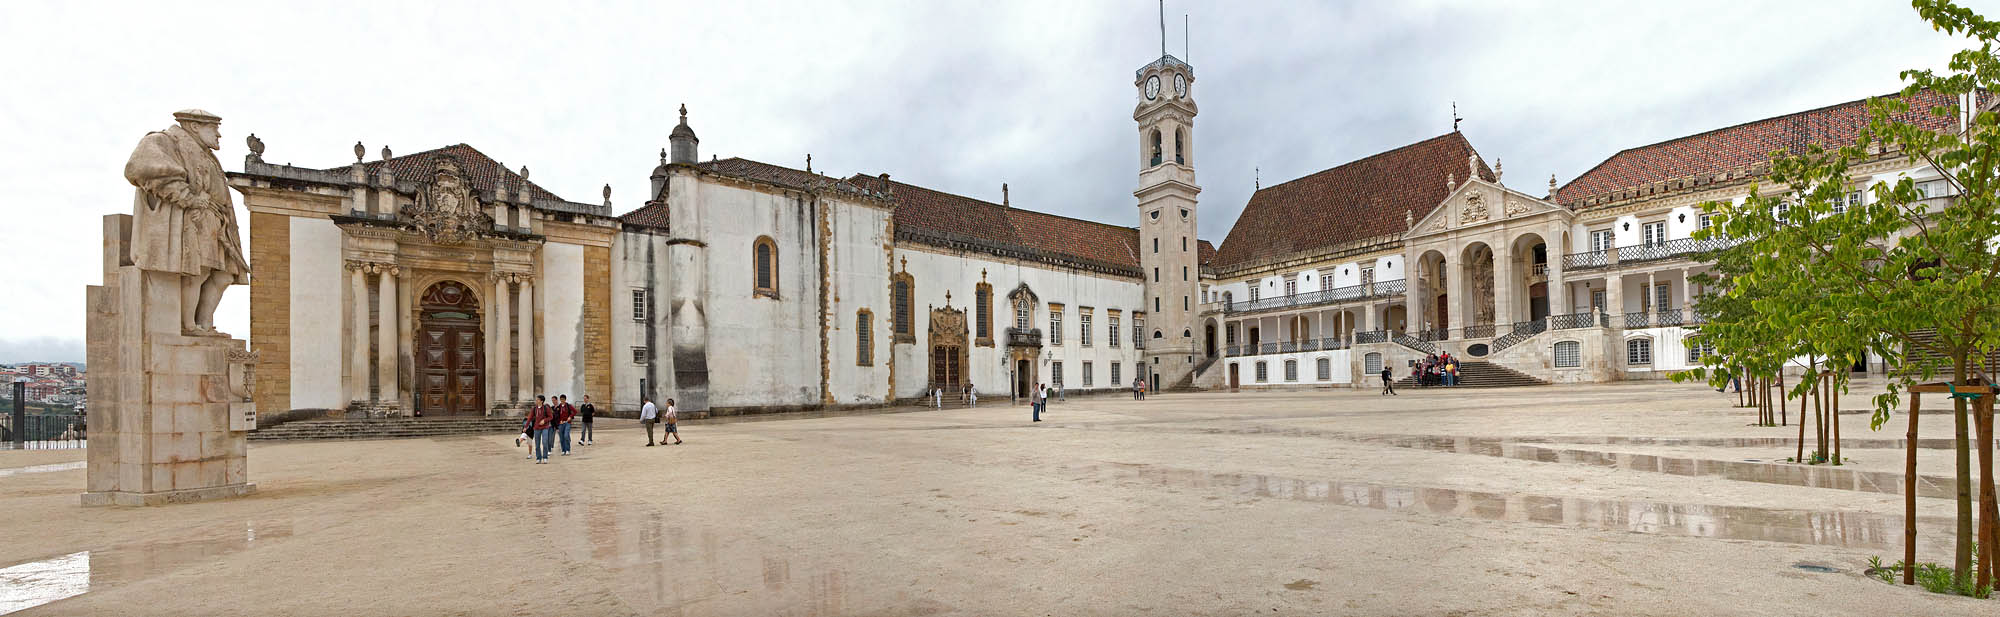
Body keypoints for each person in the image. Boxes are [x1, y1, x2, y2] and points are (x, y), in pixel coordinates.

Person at [531, 396, 556, 463]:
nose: (536, 400)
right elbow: (530, 417)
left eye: (537, 399)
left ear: (541, 401)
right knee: (537, 444)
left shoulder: (546, 408)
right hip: (536, 428)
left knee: (545, 442)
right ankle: (538, 458)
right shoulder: (534, 408)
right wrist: (525, 427)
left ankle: (545, 457)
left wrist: (544, 420)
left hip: (545, 427)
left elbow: (551, 417)